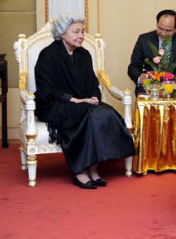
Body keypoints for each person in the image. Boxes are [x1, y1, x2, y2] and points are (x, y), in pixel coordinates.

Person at [34, 13, 136, 189]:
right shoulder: (48, 55)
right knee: (83, 115)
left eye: (82, 31)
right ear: (62, 33)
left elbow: (92, 82)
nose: (81, 36)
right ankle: (79, 170)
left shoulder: (84, 55)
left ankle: (94, 168)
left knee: (106, 113)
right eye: (75, 32)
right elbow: (45, 89)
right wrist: (72, 99)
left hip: (83, 101)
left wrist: (94, 95)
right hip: (54, 103)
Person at [127, 9, 176, 99]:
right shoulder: (144, 40)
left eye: (168, 31)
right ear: (157, 24)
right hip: (150, 86)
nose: (163, 33)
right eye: (160, 29)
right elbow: (133, 67)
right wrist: (140, 78)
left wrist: (172, 82)